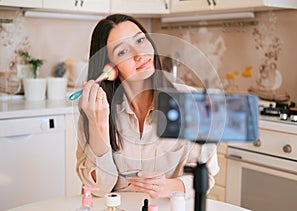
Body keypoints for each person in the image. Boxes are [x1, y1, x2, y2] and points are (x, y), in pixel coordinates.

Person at [76, 14, 219, 199]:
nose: (139, 54)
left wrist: (167, 186)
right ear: (109, 68)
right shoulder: (95, 110)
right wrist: (99, 124)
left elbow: (205, 178)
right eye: (123, 51)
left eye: (141, 40)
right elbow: (98, 189)